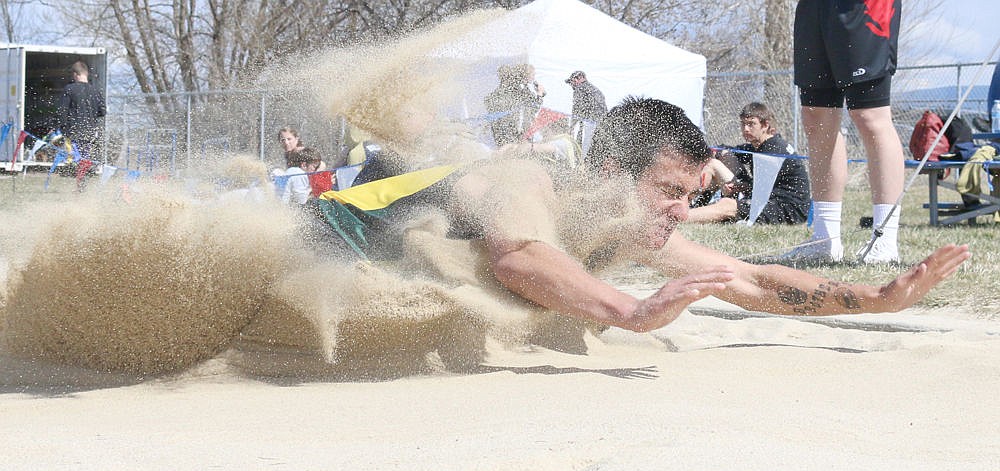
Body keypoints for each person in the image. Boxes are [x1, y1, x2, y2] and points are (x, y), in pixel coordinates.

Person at [313, 97, 970, 332]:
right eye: (668, 191)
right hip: (325, 235)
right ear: (609, 176)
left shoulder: (629, 224)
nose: (681, 212)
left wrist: (876, 297)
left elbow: (750, 280)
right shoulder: (525, 181)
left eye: (691, 195)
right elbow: (516, 255)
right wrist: (629, 311)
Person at [789, 0, 904, 263]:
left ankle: (885, 240)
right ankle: (824, 240)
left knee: (869, 116)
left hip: (864, 7)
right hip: (815, 7)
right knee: (816, 117)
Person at [688, 102, 811, 224]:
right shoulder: (759, 145)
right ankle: (692, 204)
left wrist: (740, 187)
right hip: (770, 200)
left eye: (751, 124)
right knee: (723, 156)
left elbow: (762, 192)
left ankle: (680, 217)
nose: (746, 129)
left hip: (787, 210)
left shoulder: (773, 150)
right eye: (743, 124)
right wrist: (710, 152)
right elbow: (729, 151)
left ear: (765, 125)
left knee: (726, 205)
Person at [483, 64, 546, 147]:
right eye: (533, 75)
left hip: (500, 130)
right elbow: (532, 109)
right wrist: (540, 94)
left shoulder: (503, 89)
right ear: (526, 75)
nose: (534, 78)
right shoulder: (521, 89)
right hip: (514, 132)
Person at [57, 60, 106, 164]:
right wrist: (91, 115)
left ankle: (73, 172)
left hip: (72, 131)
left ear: (75, 74)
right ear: (86, 73)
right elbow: (102, 111)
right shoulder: (96, 91)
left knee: (72, 161)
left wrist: (62, 127)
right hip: (90, 132)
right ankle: (83, 177)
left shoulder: (69, 89)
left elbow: (62, 111)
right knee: (85, 160)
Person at [565, 70, 607, 155]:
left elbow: (576, 110)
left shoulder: (579, 88)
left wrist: (571, 127)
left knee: (583, 149)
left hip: (589, 123)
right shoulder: (596, 89)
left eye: (573, 81)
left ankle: (581, 164)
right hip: (602, 124)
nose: (571, 84)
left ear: (581, 78)